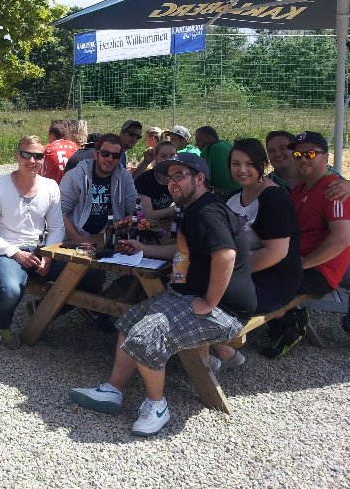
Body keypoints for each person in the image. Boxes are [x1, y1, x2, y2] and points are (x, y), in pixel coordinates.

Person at [69, 153, 255, 437]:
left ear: (200, 179)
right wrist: (144, 249)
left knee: (146, 337)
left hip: (224, 311)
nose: (172, 183)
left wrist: (210, 302)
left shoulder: (207, 212)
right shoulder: (194, 208)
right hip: (185, 297)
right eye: (169, 178)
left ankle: (157, 406)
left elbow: (226, 255)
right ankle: (113, 390)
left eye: (180, 176)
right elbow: (183, 251)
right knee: (129, 320)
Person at [213, 139, 301, 364]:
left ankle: (219, 351)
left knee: (204, 292)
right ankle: (212, 351)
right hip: (243, 273)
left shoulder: (273, 199)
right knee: (186, 283)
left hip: (273, 281)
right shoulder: (233, 197)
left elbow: (276, 253)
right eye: (236, 164)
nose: (242, 170)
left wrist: (226, 272)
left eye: (250, 163)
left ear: (263, 165)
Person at [0, 136, 66, 349]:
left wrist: (48, 255)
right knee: (11, 291)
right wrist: (15, 253)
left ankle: (41, 309)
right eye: (26, 154)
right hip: (8, 250)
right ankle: (2, 326)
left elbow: (57, 228)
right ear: (17, 156)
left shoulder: (50, 186)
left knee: (89, 278)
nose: (32, 161)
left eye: (38, 156)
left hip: (39, 250)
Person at [273, 131, 350, 355]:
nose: (303, 159)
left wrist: (302, 264)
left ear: (325, 157)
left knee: (254, 281)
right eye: (298, 154)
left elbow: (342, 239)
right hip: (299, 263)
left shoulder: (334, 190)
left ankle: (287, 322)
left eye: (310, 154)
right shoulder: (299, 191)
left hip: (319, 272)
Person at [60, 134, 137, 243]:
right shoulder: (76, 175)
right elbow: (60, 212)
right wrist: (79, 240)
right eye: (105, 153)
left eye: (115, 155)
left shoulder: (124, 177)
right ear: (96, 155)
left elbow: (135, 211)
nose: (110, 159)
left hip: (111, 237)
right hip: (78, 237)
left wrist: (115, 226)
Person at [265, 130, 350, 200]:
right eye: (272, 151)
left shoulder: (322, 171)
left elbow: (342, 186)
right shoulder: (266, 183)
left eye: (283, 148)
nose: (278, 154)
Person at [133, 141, 177, 220]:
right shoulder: (145, 180)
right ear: (155, 158)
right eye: (163, 156)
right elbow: (148, 214)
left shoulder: (177, 179)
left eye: (172, 156)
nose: (168, 159)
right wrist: (177, 209)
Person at [195, 126, 240, 198]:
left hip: (224, 197)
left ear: (209, 138)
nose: (196, 144)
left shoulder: (208, 150)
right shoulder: (228, 144)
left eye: (199, 140)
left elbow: (203, 180)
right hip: (240, 192)